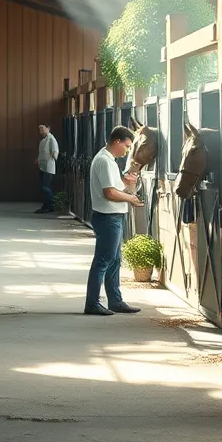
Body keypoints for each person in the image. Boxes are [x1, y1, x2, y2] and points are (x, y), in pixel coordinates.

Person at [85, 126, 144, 316]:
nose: (127, 151)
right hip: (108, 216)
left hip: (112, 216)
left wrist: (126, 184)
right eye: (126, 146)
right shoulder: (104, 161)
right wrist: (131, 199)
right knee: (103, 260)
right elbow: (109, 193)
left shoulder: (109, 160)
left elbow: (114, 188)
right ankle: (92, 303)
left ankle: (115, 300)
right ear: (117, 142)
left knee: (114, 260)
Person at [34, 122, 59, 214]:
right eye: (39, 129)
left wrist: (54, 155)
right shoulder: (43, 140)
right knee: (43, 187)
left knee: (45, 187)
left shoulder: (51, 139)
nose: (41, 130)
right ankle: (46, 206)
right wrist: (38, 159)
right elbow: (42, 153)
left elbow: (55, 150)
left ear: (48, 128)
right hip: (42, 166)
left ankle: (52, 204)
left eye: (43, 128)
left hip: (48, 166)